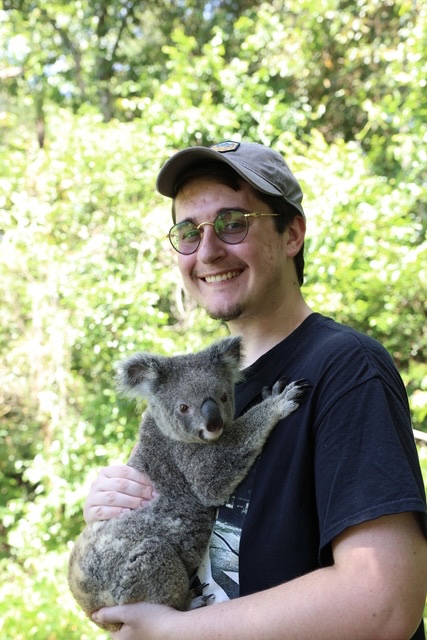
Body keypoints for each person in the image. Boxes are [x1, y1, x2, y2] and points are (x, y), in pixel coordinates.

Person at [83, 140, 427, 639]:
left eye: (233, 222)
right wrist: (113, 510)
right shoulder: (194, 382)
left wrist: (175, 633)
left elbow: (385, 604)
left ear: (292, 234)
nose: (208, 250)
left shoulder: (347, 369)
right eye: (188, 231)